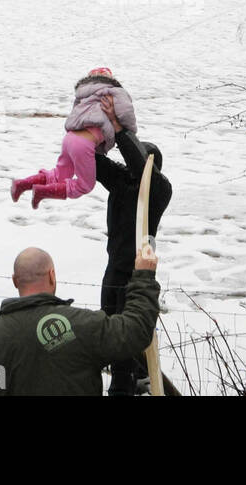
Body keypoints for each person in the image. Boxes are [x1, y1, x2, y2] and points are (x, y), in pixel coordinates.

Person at [0, 246, 160, 396]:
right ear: (52, 276)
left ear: (14, 281)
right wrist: (143, 277)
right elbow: (134, 331)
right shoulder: (80, 325)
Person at [93, 101, 172, 395]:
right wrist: (91, 131)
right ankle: (132, 376)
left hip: (137, 272)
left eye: (133, 164)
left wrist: (121, 130)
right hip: (114, 267)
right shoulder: (123, 183)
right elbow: (98, 164)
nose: (127, 169)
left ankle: (124, 385)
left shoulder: (160, 190)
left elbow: (141, 168)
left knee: (127, 331)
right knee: (108, 324)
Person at [10, 67, 136, 209]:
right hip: (84, 142)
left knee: (58, 175)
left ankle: (21, 184)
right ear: (111, 79)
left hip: (70, 138)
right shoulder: (115, 91)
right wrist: (130, 134)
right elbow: (126, 112)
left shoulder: (83, 93)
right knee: (85, 185)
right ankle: (42, 192)